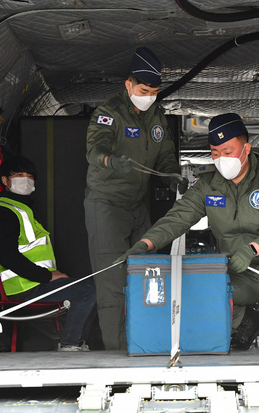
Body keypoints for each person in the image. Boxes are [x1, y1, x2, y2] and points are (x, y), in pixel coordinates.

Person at [116, 113, 259, 351]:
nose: (221, 159)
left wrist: (253, 249)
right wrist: (145, 244)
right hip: (239, 271)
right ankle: (248, 322)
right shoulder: (207, 183)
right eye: (215, 153)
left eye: (227, 152)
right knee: (194, 285)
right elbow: (177, 218)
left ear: (246, 148)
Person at [84, 47, 186, 350]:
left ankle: (149, 343)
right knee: (111, 281)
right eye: (143, 90)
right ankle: (116, 350)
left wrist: (172, 175)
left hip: (137, 205)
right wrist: (110, 161)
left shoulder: (156, 116)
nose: (149, 96)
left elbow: (166, 154)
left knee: (151, 272)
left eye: (154, 91)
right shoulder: (109, 113)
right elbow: (95, 150)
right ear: (129, 85)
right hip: (106, 205)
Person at [0, 156, 97, 352]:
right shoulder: (6, 213)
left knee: (89, 287)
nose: (26, 180)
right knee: (87, 290)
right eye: (19, 175)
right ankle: (70, 344)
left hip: (36, 284)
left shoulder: (23, 210)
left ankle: (77, 343)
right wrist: (47, 276)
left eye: (30, 176)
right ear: (4, 180)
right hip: (23, 289)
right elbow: (7, 256)